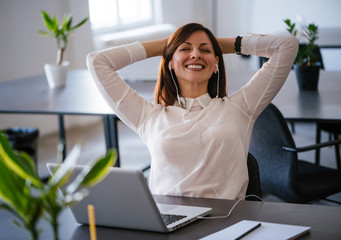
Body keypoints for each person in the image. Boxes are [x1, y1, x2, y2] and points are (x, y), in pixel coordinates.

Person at [87, 23, 298, 200]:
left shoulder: (241, 107)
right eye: (185, 49)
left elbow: (286, 46)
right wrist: (165, 45)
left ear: (216, 63)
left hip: (228, 222)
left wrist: (219, 46)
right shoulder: (149, 117)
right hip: (168, 221)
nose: (196, 54)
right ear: (169, 62)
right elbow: (97, 62)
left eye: (204, 50)